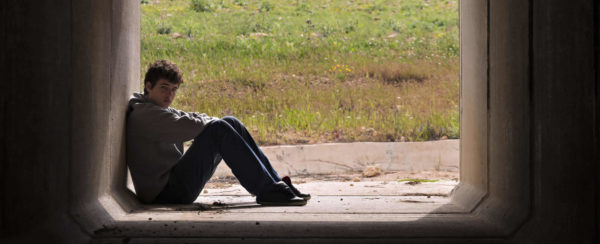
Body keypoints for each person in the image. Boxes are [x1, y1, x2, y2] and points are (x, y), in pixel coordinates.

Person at [126, 60, 310, 206]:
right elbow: (188, 126)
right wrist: (216, 125)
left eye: (174, 89)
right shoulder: (145, 114)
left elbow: (188, 117)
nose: (170, 95)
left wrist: (219, 123)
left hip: (174, 183)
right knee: (219, 129)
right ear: (149, 86)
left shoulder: (156, 108)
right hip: (165, 193)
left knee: (229, 122)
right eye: (164, 88)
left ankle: (276, 183)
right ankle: (267, 190)